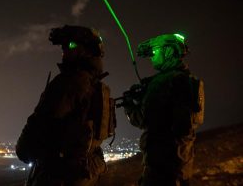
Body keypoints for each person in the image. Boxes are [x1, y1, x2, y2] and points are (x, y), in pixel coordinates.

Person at [16, 25, 115, 186]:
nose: (64, 49)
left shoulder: (69, 83)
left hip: (60, 175)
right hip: (86, 174)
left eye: (71, 45)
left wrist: (24, 151)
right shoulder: (99, 87)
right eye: (63, 45)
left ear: (87, 50)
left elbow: (39, 124)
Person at [122, 34, 205, 186]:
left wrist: (129, 106)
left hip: (161, 166)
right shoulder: (187, 80)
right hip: (182, 162)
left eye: (155, 52)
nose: (151, 57)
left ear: (167, 52)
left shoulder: (162, 83)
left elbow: (144, 119)